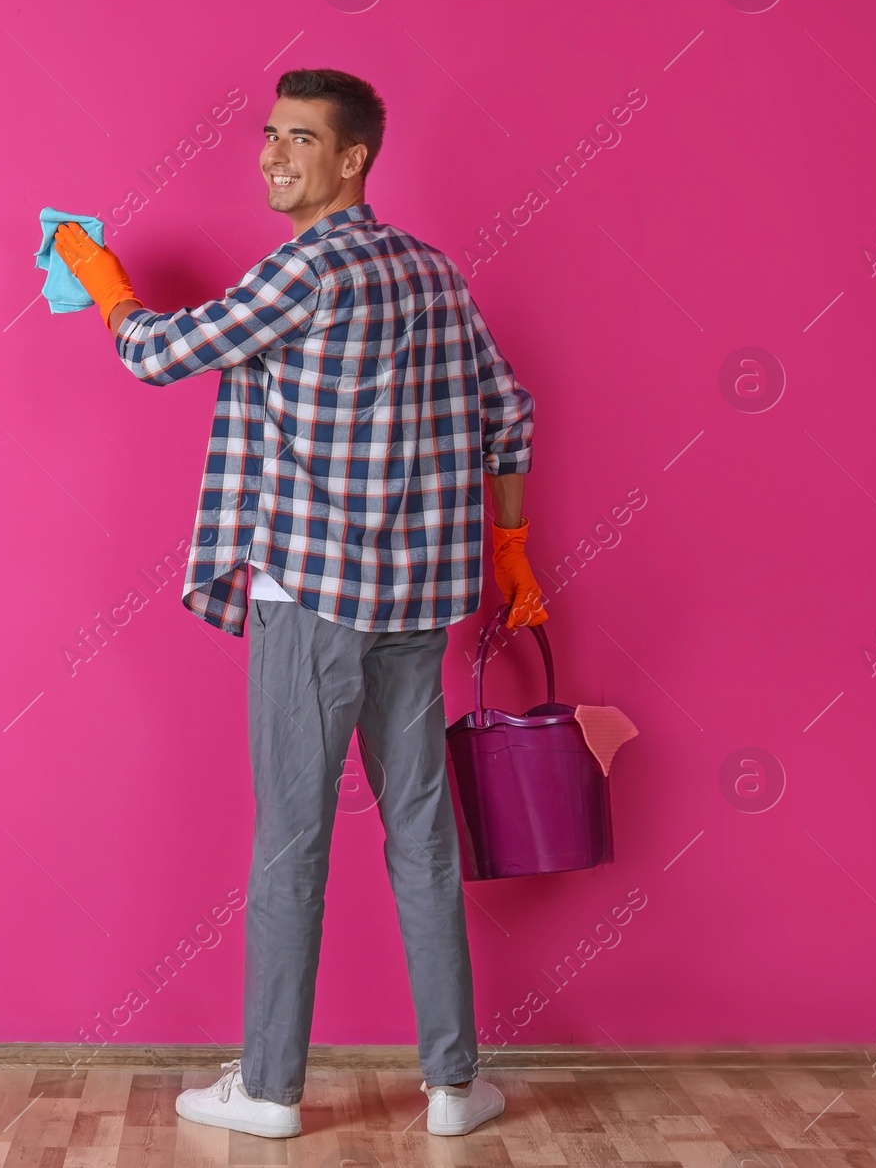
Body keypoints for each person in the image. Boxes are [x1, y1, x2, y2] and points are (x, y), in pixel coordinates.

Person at [53, 67, 546, 1140]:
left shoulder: (302, 269)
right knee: (420, 834)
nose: (274, 154)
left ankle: (270, 1088)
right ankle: (453, 1085)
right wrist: (510, 548)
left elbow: (155, 355)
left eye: (300, 138)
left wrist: (102, 277)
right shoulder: (432, 270)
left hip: (311, 601)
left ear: (353, 157)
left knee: (291, 839)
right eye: (270, 134)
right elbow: (509, 414)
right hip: (417, 600)